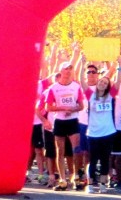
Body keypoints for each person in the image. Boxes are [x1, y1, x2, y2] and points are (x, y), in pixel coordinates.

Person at [45, 61, 85, 191]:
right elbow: (48, 107)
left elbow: (81, 105)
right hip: (60, 121)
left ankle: (76, 177)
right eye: (65, 69)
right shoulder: (53, 88)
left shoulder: (76, 86)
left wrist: (72, 110)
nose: (68, 71)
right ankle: (62, 179)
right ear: (61, 71)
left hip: (73, 120)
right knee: (60, 151)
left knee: (76, 150)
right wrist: (63, 108)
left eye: (70, 69)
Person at [83, 67, 119, 193]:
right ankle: (91, 184)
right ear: (97, 83)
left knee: (105, 159)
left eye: (105, 83)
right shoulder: (90, 95)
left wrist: (119, 67)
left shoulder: (111, 96)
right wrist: (82, 65)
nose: (102, 84)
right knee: (93, 160)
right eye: (101, 82)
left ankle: (103, 183)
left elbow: (119, 82)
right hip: (93, 133)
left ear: (108, 86)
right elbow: (82, 82)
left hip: (108, 132)